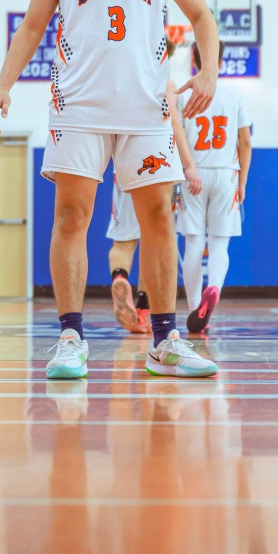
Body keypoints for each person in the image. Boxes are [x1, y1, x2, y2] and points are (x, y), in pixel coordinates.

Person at [0, 0, 219, 379]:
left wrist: (208, 71)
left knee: (158, 219)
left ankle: (165, 341)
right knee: (72, 217)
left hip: (146, 107)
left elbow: (202, 17)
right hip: (79, 105)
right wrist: (2, 86)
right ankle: (71, 338)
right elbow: (32, 26)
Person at [107, 37, 202, 335]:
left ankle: (120, 276)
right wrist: (188, 165)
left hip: (125, 166)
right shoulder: (166, 84)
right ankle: (145, 311)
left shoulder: (121, 82)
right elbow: (175, 125)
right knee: (155, 240)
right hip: (159, 166)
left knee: (123, 242)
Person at [177, 40, 252, 335]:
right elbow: (245, 143)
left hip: (193, 173)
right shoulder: (234, 95)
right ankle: (215, 289)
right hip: (226, 173)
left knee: (194, 243)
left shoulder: (184, 93)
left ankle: (194, 306)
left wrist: (186, 168)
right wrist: (242, 182)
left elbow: (176, 136)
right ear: (220, 62)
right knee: (220, 244)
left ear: (193, 60)